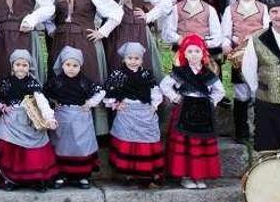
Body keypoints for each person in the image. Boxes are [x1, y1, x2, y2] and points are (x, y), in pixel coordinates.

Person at [48, 0, 123, 90]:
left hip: (84, 40)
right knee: (60, 75)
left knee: (87, 73)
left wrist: (102, 32)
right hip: (61, 40)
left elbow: (116, 12)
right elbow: (47, 14)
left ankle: (89, 108)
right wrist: (51, 29)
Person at [160, 34, 224, 189]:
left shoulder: (208, 74)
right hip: (184, 111)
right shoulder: (180, 72)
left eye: (197, 51)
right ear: (183, 54)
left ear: (203, 53)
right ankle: (186, 176)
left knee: (200, 144)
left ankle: (199, 175)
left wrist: (211, 102)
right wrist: (175, 97)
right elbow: (164, 85)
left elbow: (220, 91)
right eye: (190, 51)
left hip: (203, 114)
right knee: (186, 144)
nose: (194, 54)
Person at [0, 49, 58, 191]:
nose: (21, 68)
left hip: (30, 120)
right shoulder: (6, 82)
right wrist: (1, 105)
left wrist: (49, 118)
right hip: (11, 119)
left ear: (29, 67)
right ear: (12, 66)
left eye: (24, 65)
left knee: (35, 150)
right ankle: (11, 179)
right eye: (18, 65)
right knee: (10, 148)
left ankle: (37, 179)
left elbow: (41, 101)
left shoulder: (32, 83)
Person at [241, 0, 280, 152]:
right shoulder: (257, 38)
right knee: (268, 152)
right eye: (274, 11)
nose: (279, 15)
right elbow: (248, 68)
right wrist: (260, 89)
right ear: (269, 15)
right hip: (267, 105)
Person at [103, 42, 164, 187]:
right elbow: (108, 91)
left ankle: (145, 172)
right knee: (127, 141)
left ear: (142, 60)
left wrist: (154, 105)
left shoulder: (146, 74)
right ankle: (128, 172)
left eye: (137, 58)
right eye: (129, 58)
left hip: (144, 111)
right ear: (124, 59)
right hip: (127, 112)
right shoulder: (118, 74)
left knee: (146, 141)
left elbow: (155, 90)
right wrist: (115, 103)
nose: (133, 61)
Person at [44, 47, 105, 189]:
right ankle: (61, 174)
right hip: (62, 117)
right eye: (68, 65)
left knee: (81, 146)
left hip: (80, 117)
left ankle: (82, 175)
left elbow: (101, 92)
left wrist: (90, 103)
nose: (71, 69)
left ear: (80, 66)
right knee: (61, 146)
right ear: (62, 65)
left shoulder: (84, 82)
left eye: (75, 65)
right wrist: (53, 102)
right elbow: (43, 93)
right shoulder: (56, 81)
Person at [221, 0, 269, 142]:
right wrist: (226, 44)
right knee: (241, 92)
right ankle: (241, 131)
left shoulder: (263, 8)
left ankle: (260, 131)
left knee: (259, 91)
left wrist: (254, 37)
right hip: (239, 54)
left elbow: (268, 30)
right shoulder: (231, 9)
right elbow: (225, 33)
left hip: (258, 54)